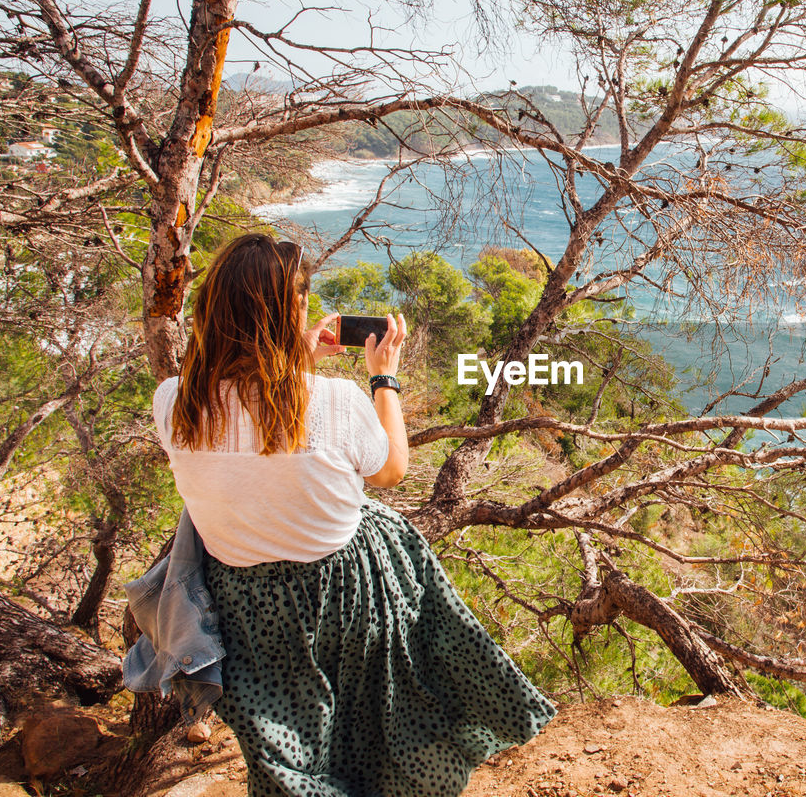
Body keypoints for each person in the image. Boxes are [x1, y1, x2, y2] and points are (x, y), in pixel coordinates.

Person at [150, 233, 556, 796]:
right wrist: (384, 376)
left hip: (242, 604)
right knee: (377, 719)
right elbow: (390, 470)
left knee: (287, 742)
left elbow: (249, 432)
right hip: (340, 592)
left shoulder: (173, 401)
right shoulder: (335, 401)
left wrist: (293, 354)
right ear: (289, 311)